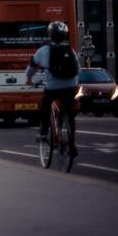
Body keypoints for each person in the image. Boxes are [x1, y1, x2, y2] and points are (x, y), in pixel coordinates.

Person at [25, 21, 80, 158]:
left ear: (50, 35)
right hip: (71, 87)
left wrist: (29, 79)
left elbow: (32, 67)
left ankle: (43, 133)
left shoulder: (44, 50)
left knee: (45, 107)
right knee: (70, 114)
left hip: (53, 87)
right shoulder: (70, 50)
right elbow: (78, 69)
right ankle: (72, 143)